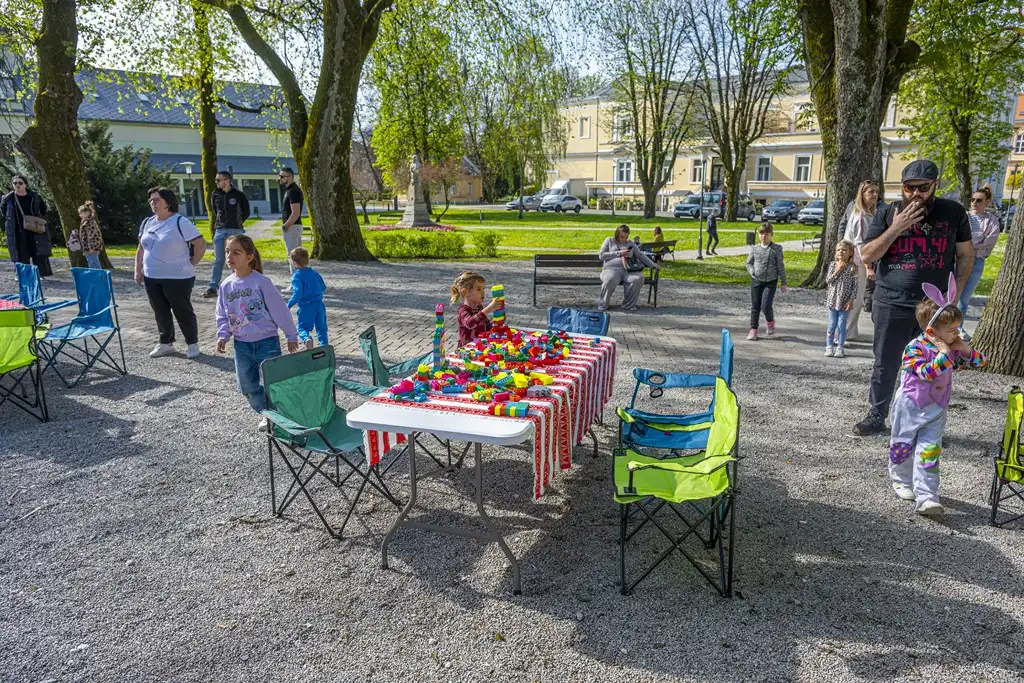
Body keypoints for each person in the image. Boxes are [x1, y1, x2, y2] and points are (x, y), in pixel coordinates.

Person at [852, 159, 974, 436]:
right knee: (886, 362)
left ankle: (922, 422)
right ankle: (876, 414)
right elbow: (867, 255)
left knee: (932, 365)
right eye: (909, 188)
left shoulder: (953, 212)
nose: (916, 194)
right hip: (890, 301)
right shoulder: (886, 213)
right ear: (902, 187)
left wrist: (954, 296)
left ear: (935, 185)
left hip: (933, 308)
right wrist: (896, 227)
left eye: (923, 187)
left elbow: (966, 255)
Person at [887, 279, 984, 517]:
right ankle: (901, 479)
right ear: (931, 331)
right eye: (952, 330)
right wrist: (943, 353)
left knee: (930, 452)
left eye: (958, 328)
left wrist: (966, 350)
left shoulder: (952, 347)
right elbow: (926, 372)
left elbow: (979, 362)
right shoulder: (914, 348)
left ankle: (927, 498)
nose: (957, 334)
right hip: (909, 407)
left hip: (936, 410)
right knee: (903, 446)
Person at [216, 235, 299, 428]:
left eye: (236, 252)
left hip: (267, 342)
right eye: (228, 251)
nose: (230, 256)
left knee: (273, 383)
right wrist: (223, 334)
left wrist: (291, 335)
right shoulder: (225, 285)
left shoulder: (261, 282)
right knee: (246, 386)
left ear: (249, 257)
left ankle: (274, 416)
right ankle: (267, 411)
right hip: (241, 345)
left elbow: (280, 310)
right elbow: (222, 313)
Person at [135, 186, 208, 360]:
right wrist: (138, 269)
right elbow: (140, 248)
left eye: (157, 200)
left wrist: (194, 261)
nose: (153, 203)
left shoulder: (179, 222)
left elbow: (200, 243)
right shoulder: (147, 222)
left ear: (168, 202)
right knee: (160, 310)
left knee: (182, 310)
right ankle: (165, 342)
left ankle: (192, 343)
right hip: (151, 276)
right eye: (151, 200)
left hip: (178, 276)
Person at [958, 186, 1000, 341]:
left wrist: (968, 241)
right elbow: (958, 238)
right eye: (973, 199)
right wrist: (977, 238)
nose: (974, 202)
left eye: (979, 200)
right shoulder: (964, 216)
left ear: (987, 202)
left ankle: (958, 328)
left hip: (977, 261)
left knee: (964, 298)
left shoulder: (993, 221)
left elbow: (990, 241)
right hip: (958, 259)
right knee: (951, 294)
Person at [842, 180, 883, 336]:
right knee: (855, 298)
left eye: (876, 192)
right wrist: (868, 266)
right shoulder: (861, 216)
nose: (874, 195)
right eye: (870, 192)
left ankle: (850, 331)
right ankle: (845, 333)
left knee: (856, 298)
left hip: (856, 261)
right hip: (858, 262)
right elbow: (860, 244)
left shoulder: (868, 214)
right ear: (863, 194)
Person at [201, 170, 251, 298]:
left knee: (236, 259)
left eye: (219, 180)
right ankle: (213, 287)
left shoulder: (239, 195)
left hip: (235, 230)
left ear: (227, 181)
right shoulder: (215, 194)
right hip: (220, 230)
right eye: (216, 180)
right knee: (219, 259)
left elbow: (246, 212)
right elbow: (214, 211)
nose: (216, 182)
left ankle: (239, 285)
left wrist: (238, 223)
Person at [597, 225, 658, 312]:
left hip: (628, 271)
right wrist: (619, 253)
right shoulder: (609, 240)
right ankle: (603, 304)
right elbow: (601, 255)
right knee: (609, 279)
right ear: (617, 234)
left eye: (626, 237)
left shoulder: (630, 243)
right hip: (611, 269)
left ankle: (628, 305)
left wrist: (653, 265)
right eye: (622, 237)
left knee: (638, 278)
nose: (624, 239)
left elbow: (640, 255)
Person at [1, 174, 53, 276]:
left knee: (38, 251)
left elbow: (43, 210)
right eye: (15, 183)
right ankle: (22, 274)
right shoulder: (8, 199)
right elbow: (4, 213)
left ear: (25, 185)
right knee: (21, 253)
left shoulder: (34, 196)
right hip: (18, 230)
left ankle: (40, 274)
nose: (17, 185)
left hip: (35, 229)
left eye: (20, 183)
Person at [745, 222, 787, 340]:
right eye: (761, 233)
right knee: (755, 306)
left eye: (766, 233)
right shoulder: (755, 249)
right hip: (756, 281)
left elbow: (780, 266)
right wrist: (752, 271)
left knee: (765, 305)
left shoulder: (776, 249)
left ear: (771, 234)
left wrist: (783, 282)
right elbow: (748, 263)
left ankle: (770, 322)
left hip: (770, 282)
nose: (764, 236)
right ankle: (753, 330)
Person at [286, 247, 328, 350]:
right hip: (319, 304)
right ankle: (325, 346)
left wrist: (288, 305)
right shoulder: (314, 272)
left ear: (294, 263)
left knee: (302, 328)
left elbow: (297, 294)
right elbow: (323, 287)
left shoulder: (297, 276)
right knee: (322, 328)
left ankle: (307, 339)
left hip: (306, 306)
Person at [824, 240, 858, 358]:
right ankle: (829, 346)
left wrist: (851, 300)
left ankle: (840, 347)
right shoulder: (833, 265)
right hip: (833, 300)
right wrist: (838, 270)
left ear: (850, 253)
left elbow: (855, 286)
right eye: (838, 250)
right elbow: (828, 281)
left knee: (842, 324)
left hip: (845, 301)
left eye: (844, 250)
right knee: (832, 323)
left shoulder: (853, 268)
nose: (841, 252)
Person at [451, 271, 499, 347]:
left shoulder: (479, 308)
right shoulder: (463, 310)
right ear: (465, 292)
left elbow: (487, 326)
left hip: (480, 348)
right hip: (466, 351)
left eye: (483, 289)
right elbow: (470, 323)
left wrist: (497, 321)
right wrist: (488, 309)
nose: (483, 292)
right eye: (479, 289)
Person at [277, 167, 304, 292]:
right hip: (294, 227)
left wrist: (286, 226)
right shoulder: (291, 190)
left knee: (293, 256)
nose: (280, 179)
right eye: (280, 176)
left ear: (290, 177)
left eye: (283, 176)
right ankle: (300, 283)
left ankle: (295, 284)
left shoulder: (293, 191)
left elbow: (296, 212)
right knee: (297, 256)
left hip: (292, 227)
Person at [75, 200, 104, 269]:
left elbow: (94, 236)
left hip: (92, 248)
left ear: (87, 213)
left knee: (94, 262)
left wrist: (92, 248)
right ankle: (94, 277)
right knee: (90, 262)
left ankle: (99, 277)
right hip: (87, 248)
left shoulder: (90, 222)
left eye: (80, 213)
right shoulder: (84, 221)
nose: (79, 215)